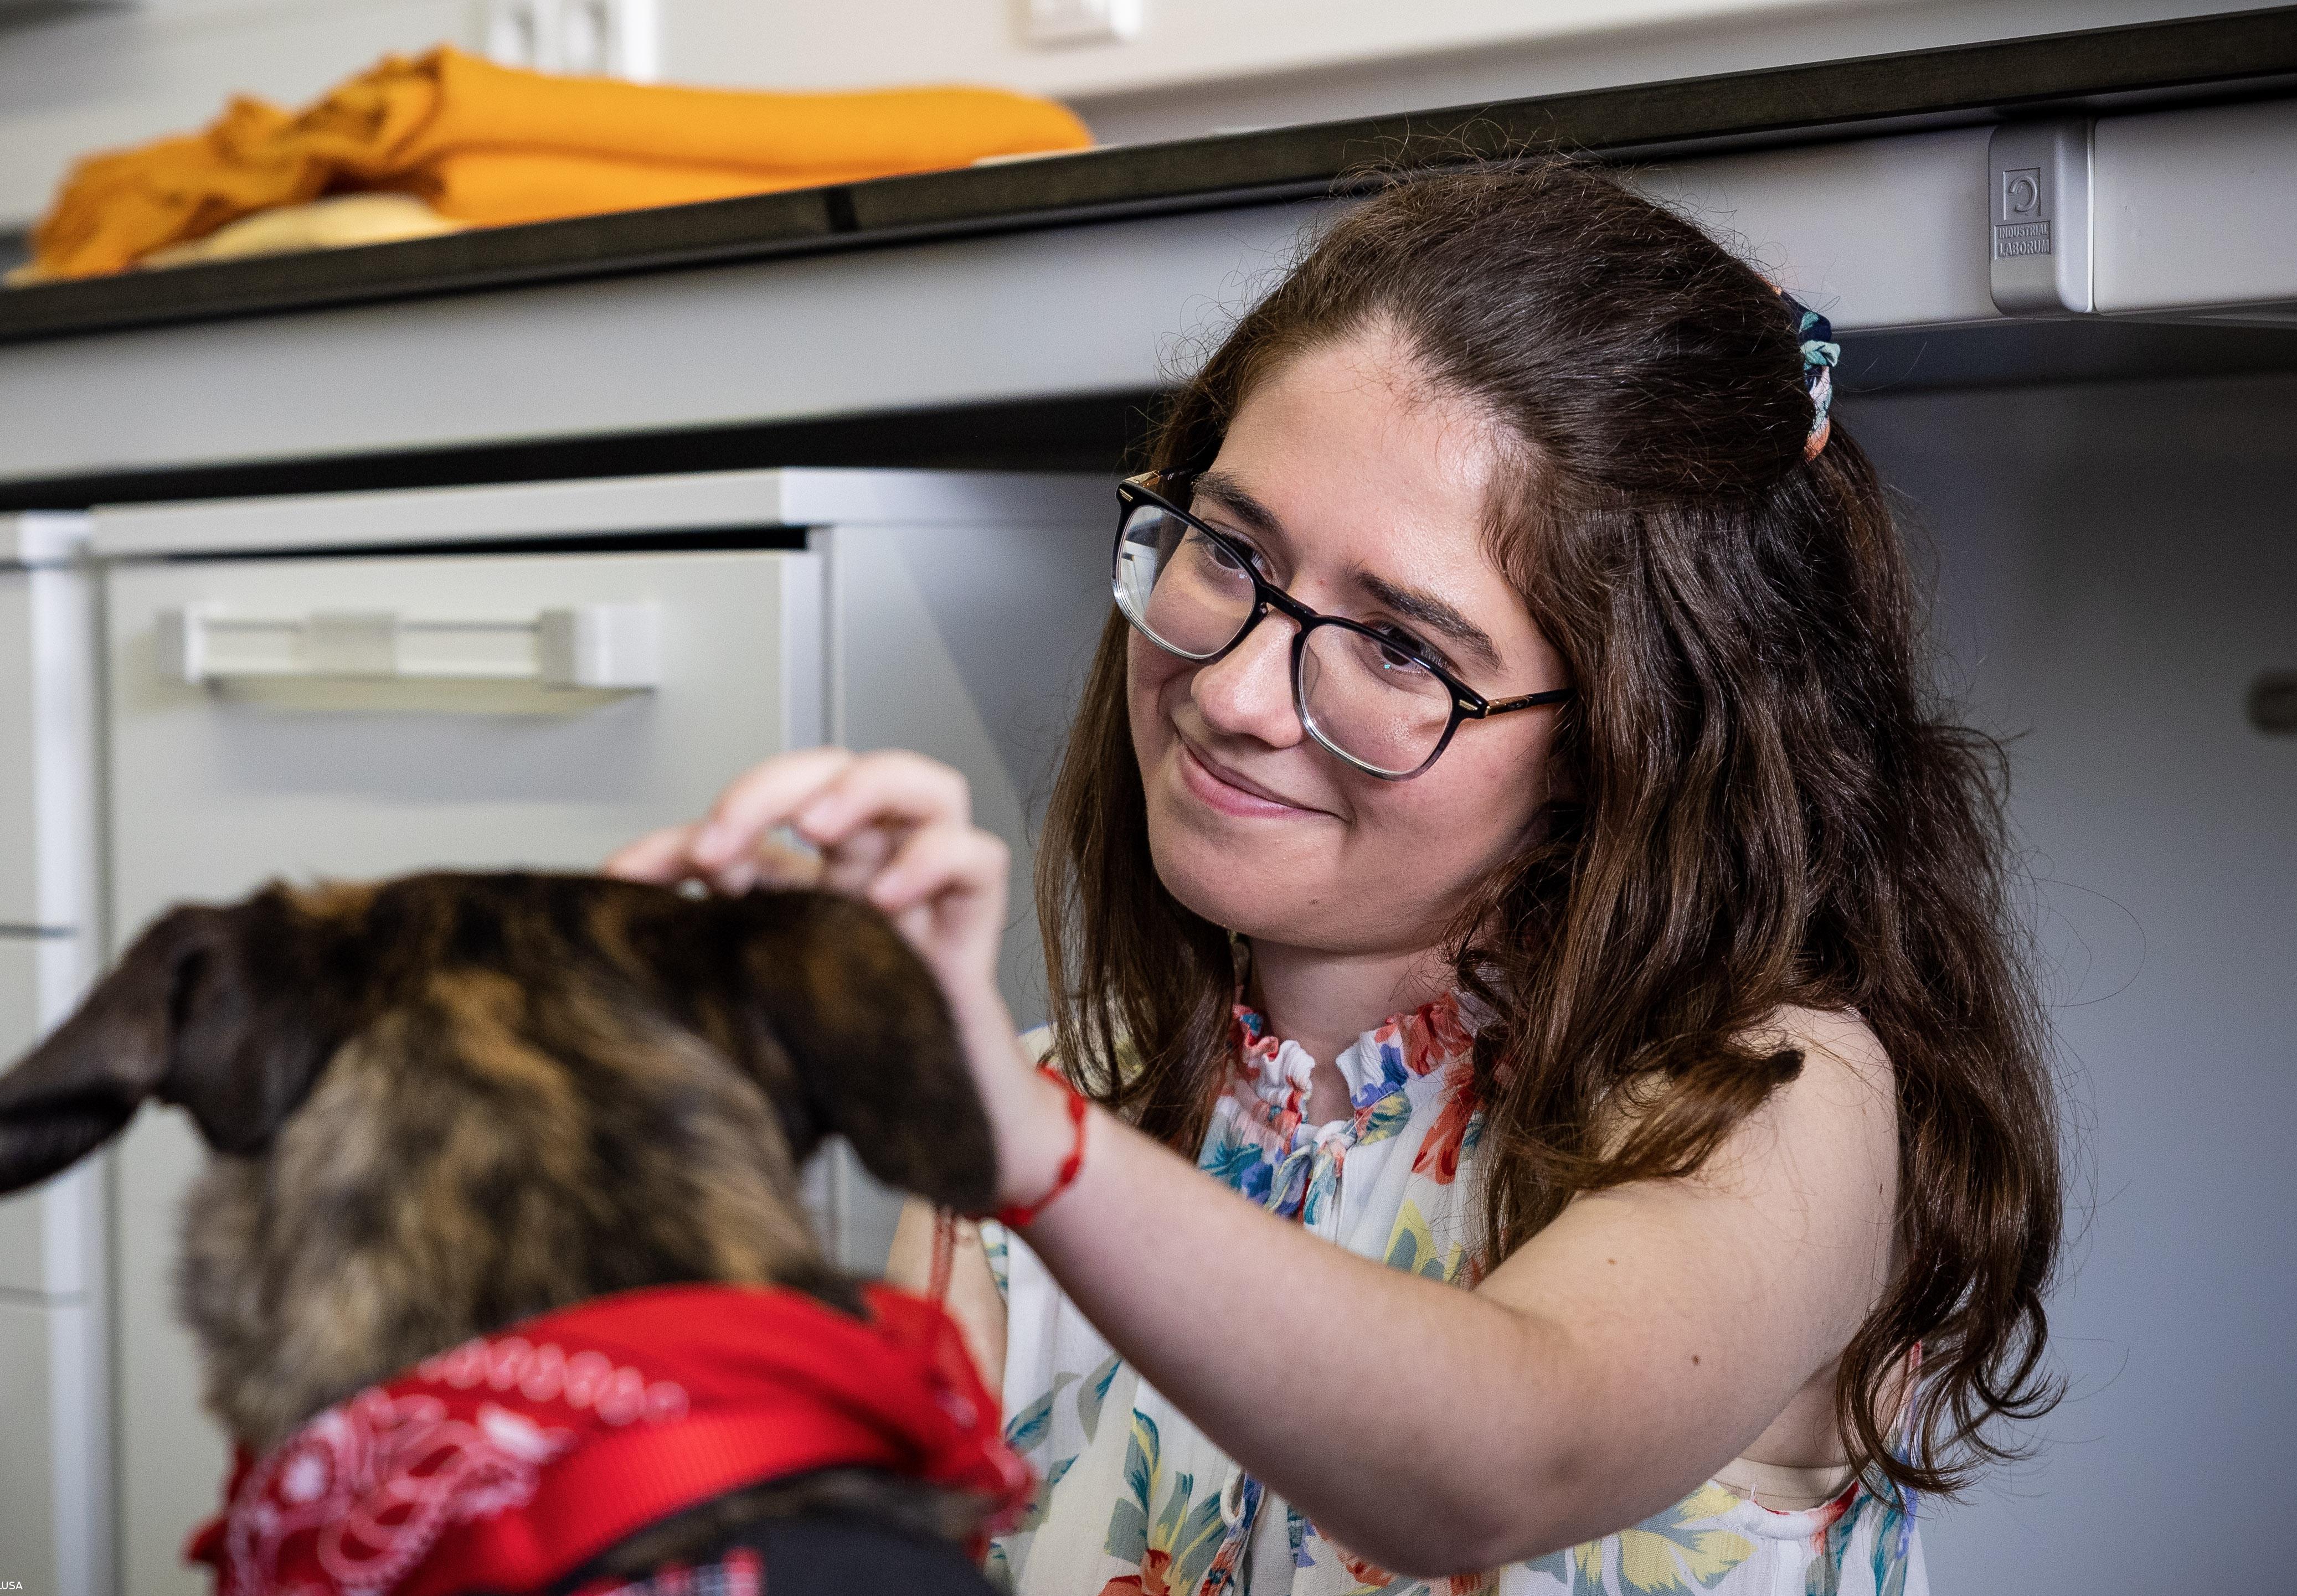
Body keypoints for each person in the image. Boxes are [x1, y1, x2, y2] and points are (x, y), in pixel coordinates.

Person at [607, 162, 2063, 1595]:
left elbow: (1503, 1461)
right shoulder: (1058, 1108)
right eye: (1228, 550)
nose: (1231, 690)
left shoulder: (1775, 1094)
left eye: (1401, 646)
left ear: (1630, 734)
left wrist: (1017, 1136)